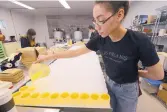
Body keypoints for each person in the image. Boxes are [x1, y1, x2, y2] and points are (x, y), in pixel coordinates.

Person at [35, 1, 164, 112]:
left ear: (119, 14)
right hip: (108, 83)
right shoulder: (101, 39)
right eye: (95, 21)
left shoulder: (139, 40)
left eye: (101, 20)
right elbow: (75, 52)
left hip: (127, 90)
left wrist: (136, 72)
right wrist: (50, 56)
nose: (97, 27)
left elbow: (158, 75)